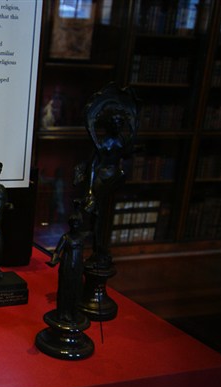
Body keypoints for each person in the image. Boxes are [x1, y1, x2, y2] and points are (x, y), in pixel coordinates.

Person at [80, 83, 139, 268]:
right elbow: (92, 166)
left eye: (120, 122)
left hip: (115, 180)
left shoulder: (120, 140)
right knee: (98, 216)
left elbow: (125, 154)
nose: (118, 124)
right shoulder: (103, 143)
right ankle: (98, 248)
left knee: (107, 216)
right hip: (103, 179)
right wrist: (90, 191)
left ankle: (102, 249)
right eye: (114, 121)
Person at [47, 210, 88, 323]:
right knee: (64, 289)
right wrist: (53, 260)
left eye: (77, 223)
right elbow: (57, 251)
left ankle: (73, 311)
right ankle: (63, 312)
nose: (75, 226)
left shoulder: (81, 237)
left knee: (76, 290)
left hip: (78, 267)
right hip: (67, 267)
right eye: (73, 223)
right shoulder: (66, 237)